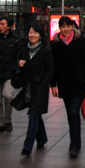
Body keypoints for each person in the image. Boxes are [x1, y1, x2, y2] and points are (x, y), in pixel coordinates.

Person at [51, 16, 85, 158]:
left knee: (74, 111)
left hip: (79, 83)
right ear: (60, 28)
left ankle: (74, 145)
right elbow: (53, 65)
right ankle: (75, 141)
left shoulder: (80, 41)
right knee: (70, 113)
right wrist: (53, 84)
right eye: (63, 26)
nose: (66, 29)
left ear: (73, 27)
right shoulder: (55, 44)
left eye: (68, 26)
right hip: (64, 84)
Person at [18, 22, 54, 157]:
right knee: (36, 114)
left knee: (32, 115)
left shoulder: (46, 50)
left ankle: (27, 146)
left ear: (40, 35)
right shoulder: (24, 49)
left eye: (35, 33)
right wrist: (21, 64)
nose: (32, 35)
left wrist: (45, 84)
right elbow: (20, 65)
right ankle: (42, 138)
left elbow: (50, 69)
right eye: (30, 32)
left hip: (40, 88)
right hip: (28, 87)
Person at [0, 17, 20, 133]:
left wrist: (16, 70)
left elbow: (18, 55)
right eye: (0, 24)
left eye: (3, 24)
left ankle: (7, 120)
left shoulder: (15, 40)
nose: (0, 26)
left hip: (9, 73)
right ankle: (0, 122)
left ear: (9, 26)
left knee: (8, 96)